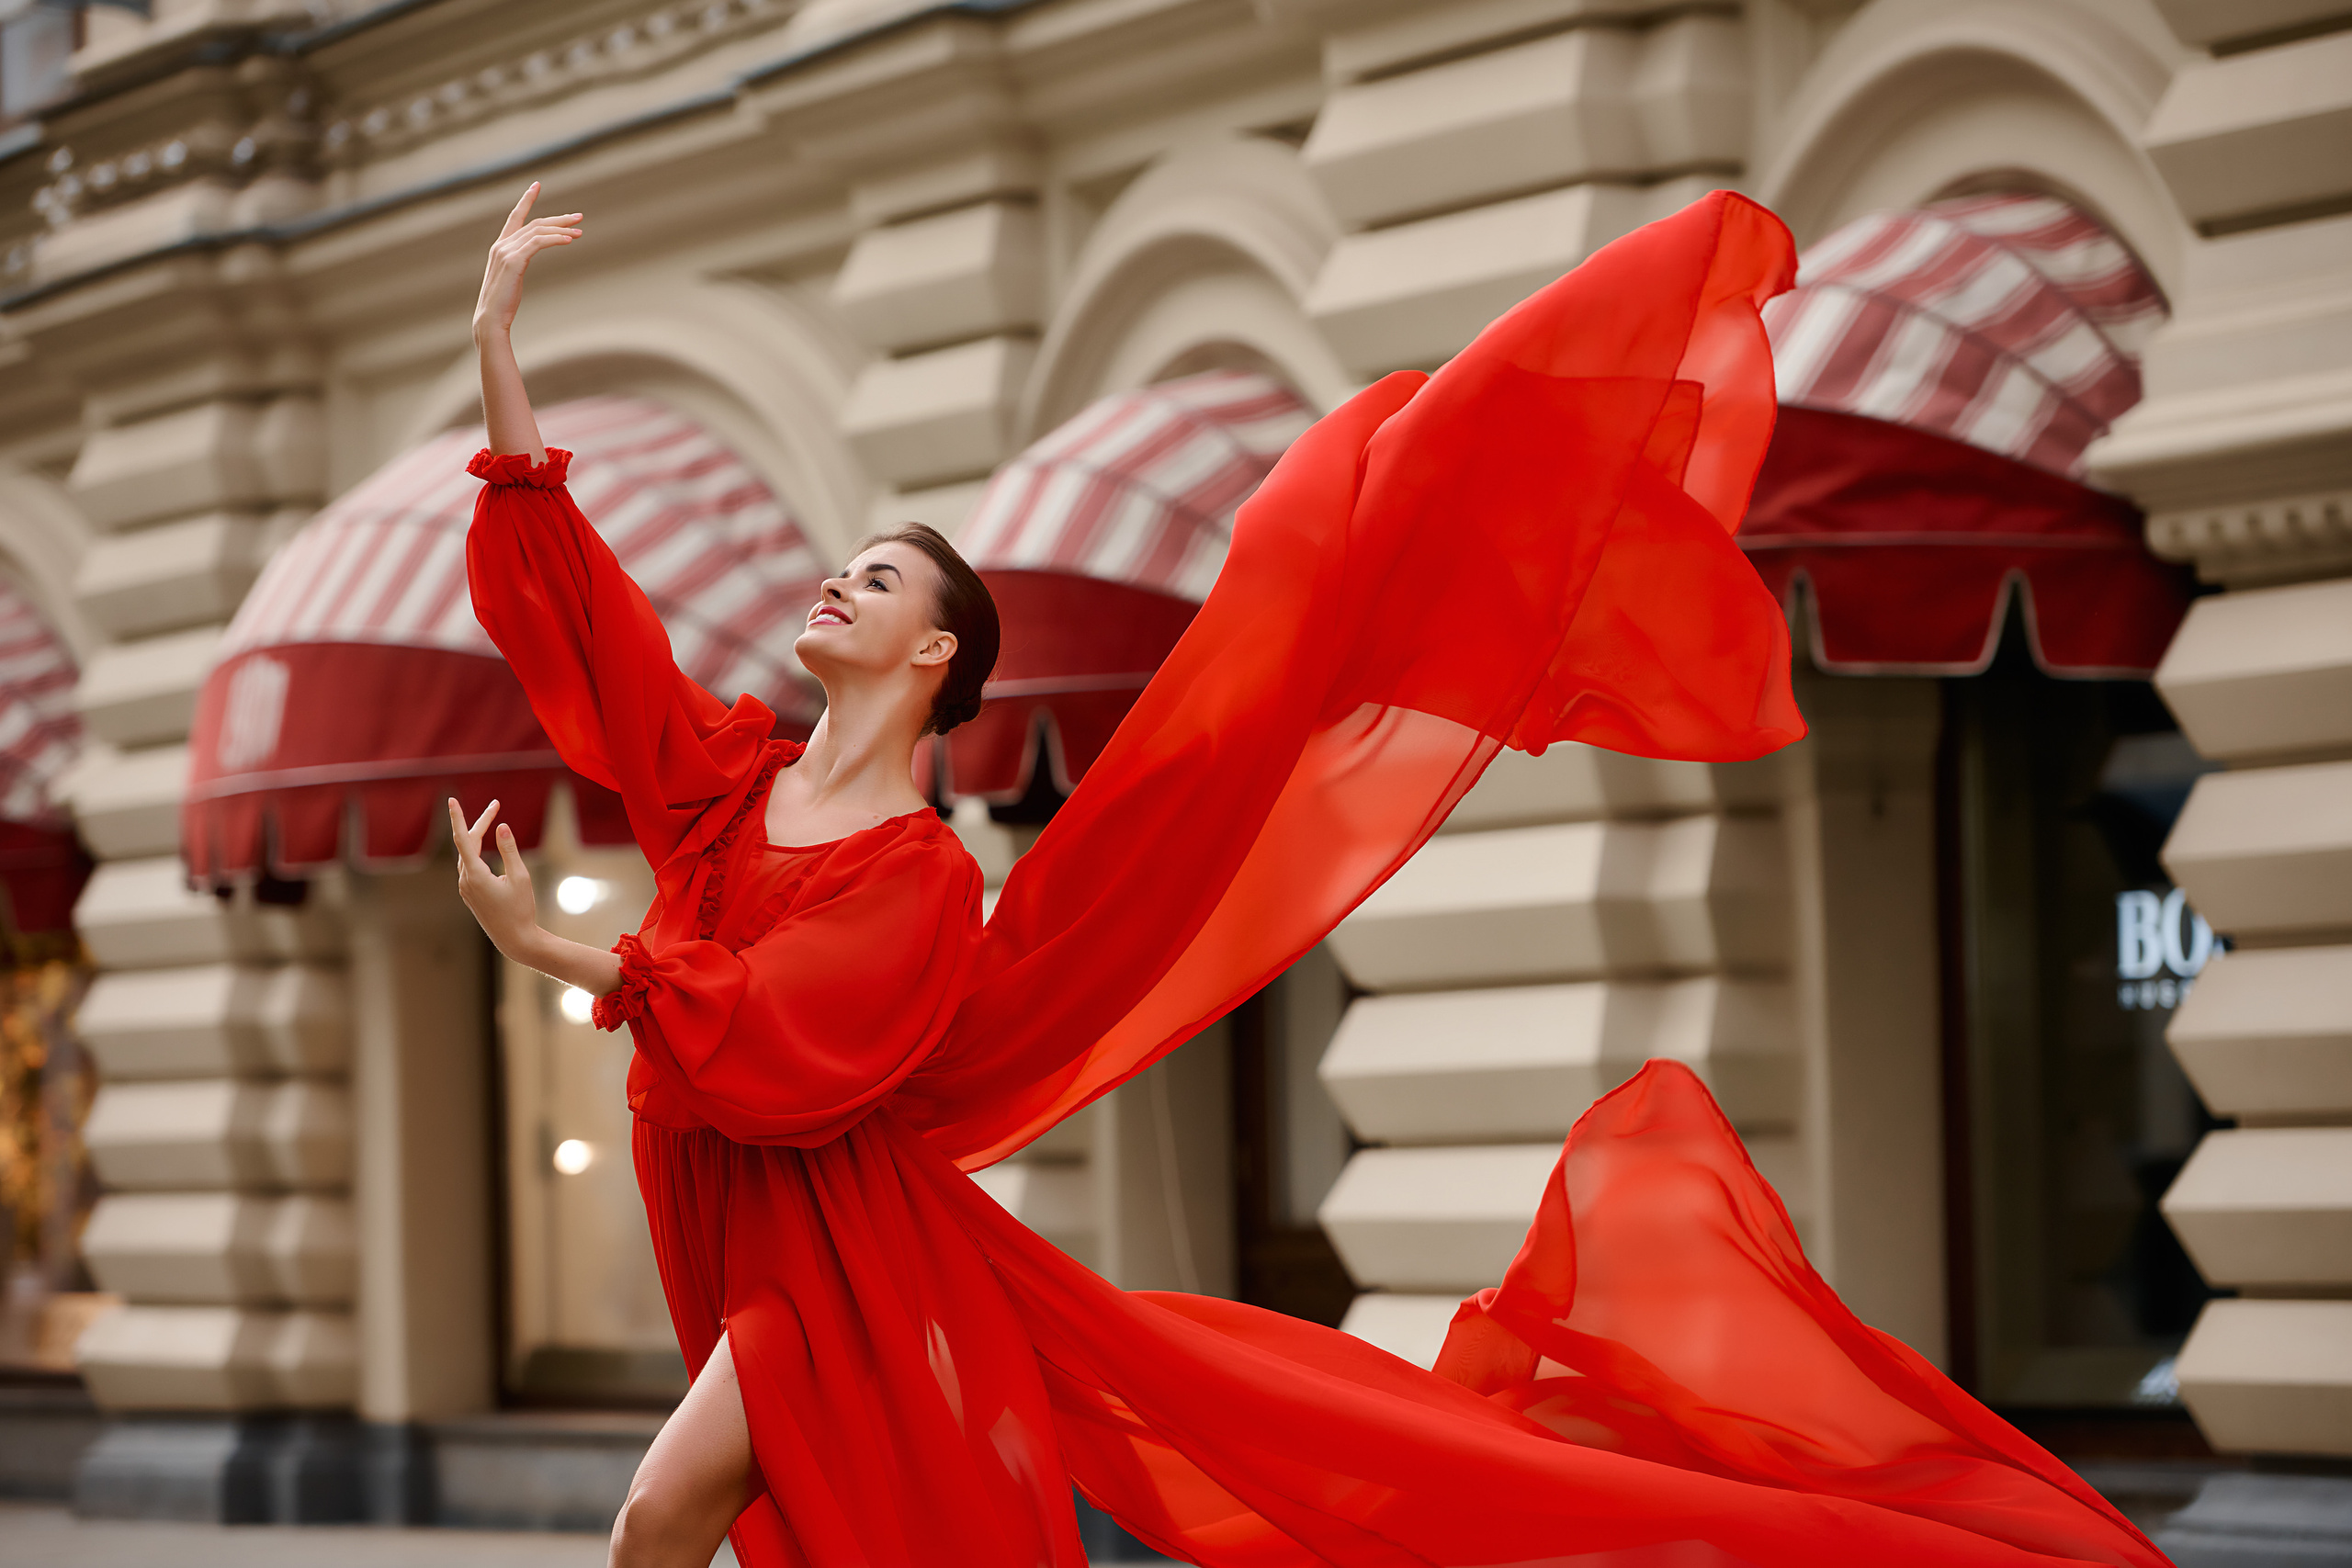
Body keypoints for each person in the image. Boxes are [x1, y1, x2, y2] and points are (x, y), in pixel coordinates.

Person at [450, 182, 2171, 1568]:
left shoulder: (916, 880)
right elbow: (598, 632)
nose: (838, 584)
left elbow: (790, 1032)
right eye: (844, 564)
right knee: (740, 1537)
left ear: (938, 658)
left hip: (837, 1268)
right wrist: (498, 354)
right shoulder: (726, 793)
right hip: (751, 1235)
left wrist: (566, 955)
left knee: (659, 1520)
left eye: (881, 578)